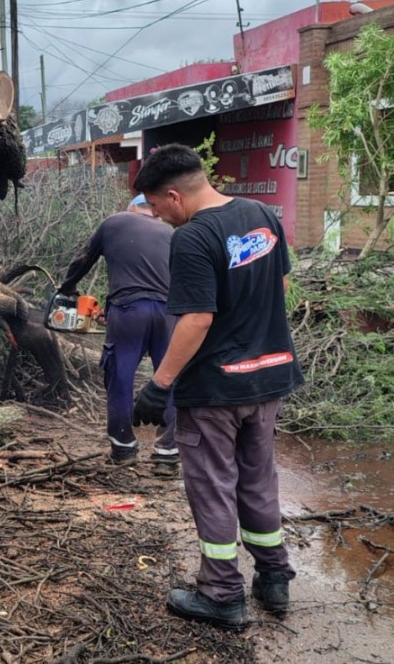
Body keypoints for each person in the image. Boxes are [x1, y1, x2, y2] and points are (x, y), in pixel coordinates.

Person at [131, 143, 304, 630]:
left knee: (211, 487)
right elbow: (280, 286)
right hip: (268, 377)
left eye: (157, 207)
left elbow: (196, 321)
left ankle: (222, 595)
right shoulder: (261, 214)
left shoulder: (191, 238)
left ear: (173, 195)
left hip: (214, 391)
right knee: (257, 480)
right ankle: (273, 579)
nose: (159, 217)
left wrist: (159, 385)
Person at [58, 193, 178, 472]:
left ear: (131, 209)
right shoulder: (170, 232)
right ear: (154, 211)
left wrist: (67, 288)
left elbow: (82, 259)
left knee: (120, 376)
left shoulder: (114, 222)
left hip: (128, 311)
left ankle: (123, 448)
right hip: (169, 312)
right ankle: (167, 453)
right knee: (170, 377)